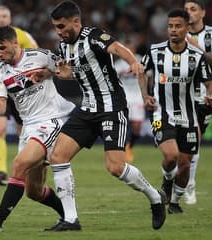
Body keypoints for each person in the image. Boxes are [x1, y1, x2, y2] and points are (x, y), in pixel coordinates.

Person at [48, 0, 166, 231]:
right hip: (87, 110)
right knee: (58, 157)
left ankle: (155, 197)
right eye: (55, 27)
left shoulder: (94, 36)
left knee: (115, 167)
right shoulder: (64, 47)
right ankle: (71, 220)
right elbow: (80, 72)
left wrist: (133, 62)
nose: (58, 32)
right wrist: (66, 74)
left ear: (76, 21)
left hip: (111, 109)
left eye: (62, 26)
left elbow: (119, 49)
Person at [0, 26, 75, 233]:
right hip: (29, 125)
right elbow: (2, 102)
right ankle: (68, 217)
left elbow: (68, 72)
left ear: (15, 43)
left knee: (19, 164)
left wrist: (51, 71)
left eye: (3, 48)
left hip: (52, 119)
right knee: (34, 191)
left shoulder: (40, 56)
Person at [140, 9, 212, 214]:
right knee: (171, 155)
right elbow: (141, 71)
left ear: (187, 28)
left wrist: (211, 95)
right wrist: (145, 95)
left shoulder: (197, 56)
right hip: (161, 114)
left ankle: (174, 201)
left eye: (178, 26)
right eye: (170, 26)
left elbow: (210, 84)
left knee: (185, 166)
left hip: (189, 118)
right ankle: (166, 180)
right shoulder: (155, 51)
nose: (173, 30)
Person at [0, 5, 38, 185]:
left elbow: (36, 53)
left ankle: (26, 168)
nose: (1, 19)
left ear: (9, 18)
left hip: (19, 89)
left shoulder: (22, 36)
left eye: (4, 16)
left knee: (23, 131)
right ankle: (2, 171)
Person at [183, 0, 212, 205]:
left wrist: (198, 49)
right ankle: (174, 178)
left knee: (194, 141)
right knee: (175, 147)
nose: (189, 13)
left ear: (202, 12)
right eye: (186, 10)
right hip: (179, 94)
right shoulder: (177, 31)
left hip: (204, 95)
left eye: (193, 9)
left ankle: (189, 184)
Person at [114, 40, 145, 163]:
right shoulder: (119, 65)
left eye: (130, 48)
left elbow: (148, 75)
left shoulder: (140, 61)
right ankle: (121, 149)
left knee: (137, 126)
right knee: (122, 124)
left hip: (138, 97)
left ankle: (130, 146)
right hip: (124, 97)